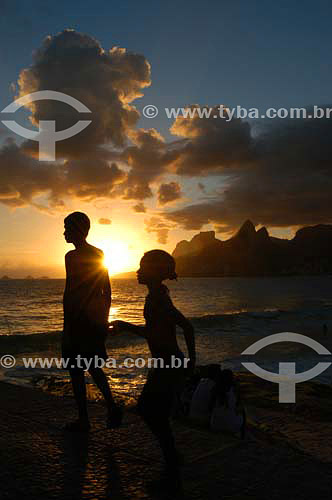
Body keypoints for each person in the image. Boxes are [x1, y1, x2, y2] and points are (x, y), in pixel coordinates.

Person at [111, 250, 196, 492]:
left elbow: (186, 327)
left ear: (156, 272)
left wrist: (190, 362)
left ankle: (172, 472)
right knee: (153, 412)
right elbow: (163, 330)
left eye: (143, 267)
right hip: (165, 363)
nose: (138, 271)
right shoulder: (157, 295)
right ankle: (173, 461)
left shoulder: (158, 297)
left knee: (152, 413)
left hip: (168, 363)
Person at [62, 211, 122, 432]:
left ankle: (90, 417)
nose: (64, 233)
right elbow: (106, 292)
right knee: (89, 368)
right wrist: (102, 320)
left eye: (67, 228)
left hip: (82, 322)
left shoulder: (79, 256)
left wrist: (69, 325)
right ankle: (106, 409)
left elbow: (76, 292)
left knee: (80, 370)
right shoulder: (85, 255)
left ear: (79, 229)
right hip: (87, 321)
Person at [210, 369, 245, 436]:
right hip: (230, 428)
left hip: (214, 425)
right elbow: (238, 405)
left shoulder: (215, 389)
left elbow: (210, 407)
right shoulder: (233, 390)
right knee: (242, 411)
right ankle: (242, 435)